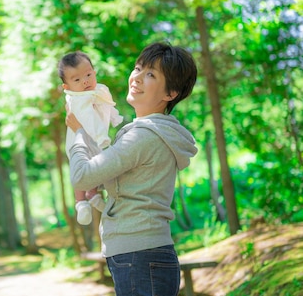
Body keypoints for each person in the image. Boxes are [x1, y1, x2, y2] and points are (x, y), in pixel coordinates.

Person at [65, 41, 198, 296]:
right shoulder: (153, 133)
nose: (136, 77)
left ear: (170, 93)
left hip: (139, 256)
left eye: (150, 74)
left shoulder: (142, 137)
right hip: (142, 254)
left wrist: (78, 133)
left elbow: (81, 177)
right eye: (138, 68)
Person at [58, 51, 123, 225]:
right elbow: (91, 120)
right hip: (81, 141)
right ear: (67, 87)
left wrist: (114, 117)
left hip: (97, 140)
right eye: (77, 80)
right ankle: (81, 202)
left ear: (94, 72)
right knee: (81, 169)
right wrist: (103, 138)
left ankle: (93, 195)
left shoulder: (98, 91)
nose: (85, 81)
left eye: (88, 75)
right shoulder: (78, 99)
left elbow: (108, 106)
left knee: (97, 169)